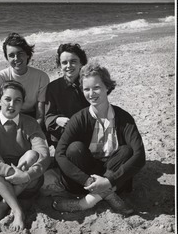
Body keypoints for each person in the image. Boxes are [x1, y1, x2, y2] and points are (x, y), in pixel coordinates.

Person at [53, 62, 146, 215]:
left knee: (126, 150)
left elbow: (140, 155)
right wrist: (86, 180)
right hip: (86, 179)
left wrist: (109, 180)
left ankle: (86, 203)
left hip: (114, 174)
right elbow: (59, 154)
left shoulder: (124, 117)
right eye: (86, 89)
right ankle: (108, 194)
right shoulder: (79, 118)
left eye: (96, 87)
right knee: (74, 148)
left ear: (107, 87)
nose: (91, 93)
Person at [0, 80, 51, 231]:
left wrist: (26, 175)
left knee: (32, 154)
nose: (12, 105)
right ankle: (17, 210)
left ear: (22, 103)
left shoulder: (30, 123)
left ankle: (3, 205)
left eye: (17, 100)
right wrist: (9, 171)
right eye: (7, 99)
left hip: (26, 184)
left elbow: (44, 154)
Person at [0, 32, 49, 130]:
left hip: (32, 115)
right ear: (7, 58)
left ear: (27, 54)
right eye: (11, 55)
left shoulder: (41, 77)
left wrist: (33, 128)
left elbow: (40, 114)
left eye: (20, 53)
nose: (16, 59)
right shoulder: (2, 76)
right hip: (9, 115)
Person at [45, 43, 89, 147]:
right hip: (63, 137)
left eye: (73, 61)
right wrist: (57, 119)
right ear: (60, 65)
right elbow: (47, 117)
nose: (69, 66)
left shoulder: (89, 83)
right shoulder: (53, 88)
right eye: (64, 63)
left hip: (89, 133)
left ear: (81, 63)